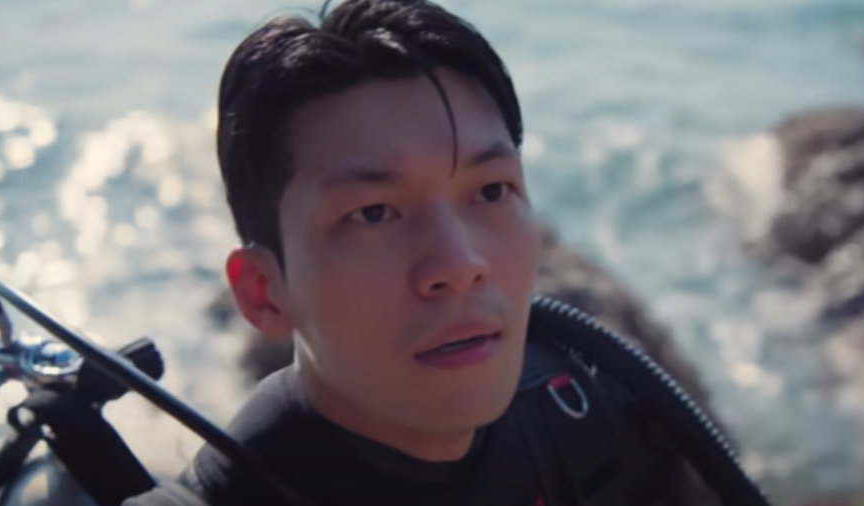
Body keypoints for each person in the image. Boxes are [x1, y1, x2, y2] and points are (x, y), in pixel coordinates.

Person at [125, 0, 727, 504]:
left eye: (491, 191)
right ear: (264, 292)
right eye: (373, 214)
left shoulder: (592, 426)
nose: (459, 265)